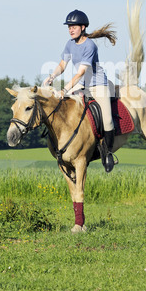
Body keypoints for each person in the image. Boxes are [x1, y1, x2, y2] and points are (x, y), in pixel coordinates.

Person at [43, 9, 117, 172]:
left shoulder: (89, 45)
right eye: (69, 26)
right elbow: (63, 65)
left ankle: (108, 153)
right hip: (82, 85)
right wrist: (52, 77)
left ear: (83, 27)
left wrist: (65, 89)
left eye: (74, 26)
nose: (70, 29)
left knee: (107, 119)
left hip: (98, 85)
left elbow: (81, 72)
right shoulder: (70, 44)